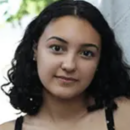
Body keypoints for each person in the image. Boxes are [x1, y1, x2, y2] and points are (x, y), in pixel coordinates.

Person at [0, 0, 130, 130]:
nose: (69, 65)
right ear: (35, 49)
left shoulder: (124, 116)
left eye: (86, 53)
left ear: (99, 60)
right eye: (57, 48)